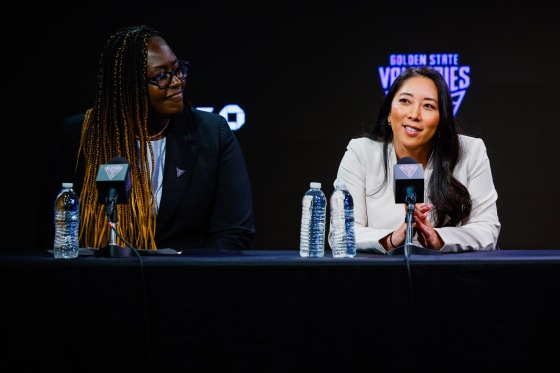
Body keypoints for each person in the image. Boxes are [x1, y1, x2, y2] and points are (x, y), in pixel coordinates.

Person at [37, 25, 255, 251]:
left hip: (186, 280)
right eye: (161, 76)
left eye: (178, 69)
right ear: (128, 86)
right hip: (98, 279)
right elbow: (51, 232)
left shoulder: (212, 134)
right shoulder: (78, 136)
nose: (177, 82)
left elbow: (233, 232)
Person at [329, 66, 500, 254]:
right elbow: (341, 233)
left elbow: (486, 229)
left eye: (428, 106)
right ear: (388, 113)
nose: (414, 114)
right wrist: (392, 239)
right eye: (404, 101)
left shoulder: (470, 151)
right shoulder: (361, 152)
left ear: (441, 120)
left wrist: (437, 238)